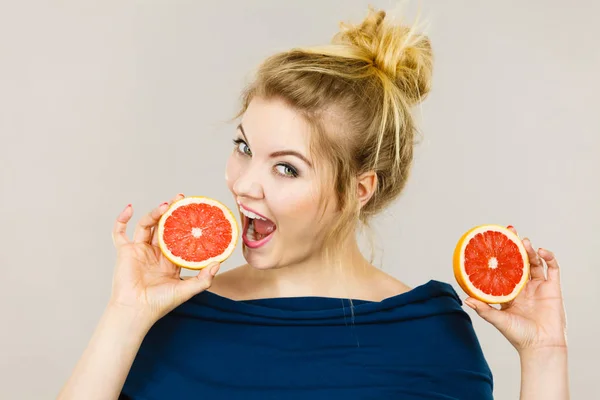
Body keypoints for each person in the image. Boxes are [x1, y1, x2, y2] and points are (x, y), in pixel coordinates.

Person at [58, 8, 569, 400]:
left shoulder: (429, 337)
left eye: (286, 168)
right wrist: (125, 314)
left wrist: (544, 355)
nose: (243, 185)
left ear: (358, 190)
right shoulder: (173, 320)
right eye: (244, 149)